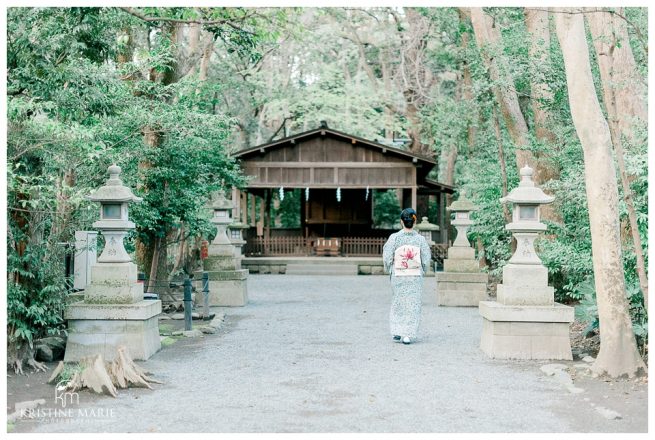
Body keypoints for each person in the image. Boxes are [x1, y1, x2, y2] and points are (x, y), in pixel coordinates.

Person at [382, 208, 432, 345]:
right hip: (414, 276)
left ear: (401, 222)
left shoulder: (394, 238)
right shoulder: (420, 240)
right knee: (413, 304)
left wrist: (390, 270)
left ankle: (397, 331)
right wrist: (423, 271)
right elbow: (426, 258)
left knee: (398, 302)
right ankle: (408, 334)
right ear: (414, 222)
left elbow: (387, 257)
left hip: (398, 275)